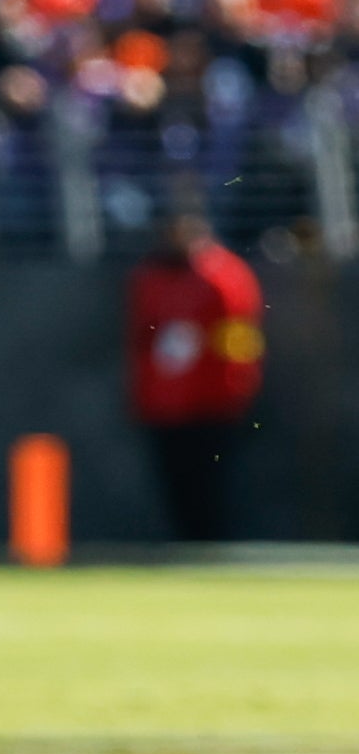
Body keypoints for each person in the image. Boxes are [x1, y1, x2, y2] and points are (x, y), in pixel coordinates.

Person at [125, 206, 263, 540]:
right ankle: (184, 544)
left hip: (211, 402)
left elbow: (240, 338)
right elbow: (141, 338)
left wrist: (234, 389)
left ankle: (213, 544)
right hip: (164, 405)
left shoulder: (223, 275)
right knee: (175, 483)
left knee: (212, 483)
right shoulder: (151, 277)